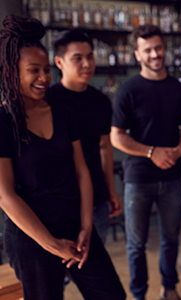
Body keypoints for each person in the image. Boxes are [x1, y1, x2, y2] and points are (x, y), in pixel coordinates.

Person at [0, 14, 126, 300]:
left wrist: (85, 227)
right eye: (34, 70)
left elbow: (81, 171)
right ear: (10, 72)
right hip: (32, 238)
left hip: (75, 225)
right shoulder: (3, 121)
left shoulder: (62, 112)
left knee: (112, 295)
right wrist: (52, 244)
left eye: (46, 69)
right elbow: (5, 195)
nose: (44, 78)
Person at [110, 24, 181, 300]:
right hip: (138, 178)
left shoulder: (179, 89)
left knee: (170, 239)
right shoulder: (128, 90)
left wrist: (179, 149)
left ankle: (169, 289)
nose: (155, 54)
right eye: (148, 50)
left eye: (158, 48)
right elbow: (117, 138)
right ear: (138, 54)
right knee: (136, 244)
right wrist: (152, 152)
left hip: (172, 177)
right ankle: (138, 294)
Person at [49, 29, 123, 244]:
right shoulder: (48, 100)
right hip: (60, 199)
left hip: (96, 197)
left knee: (93, 263)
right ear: (59, 62)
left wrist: (111, 190)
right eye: (77, 58)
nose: (87, 64)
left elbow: (104, 147)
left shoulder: (100, 101)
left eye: (90, 56)